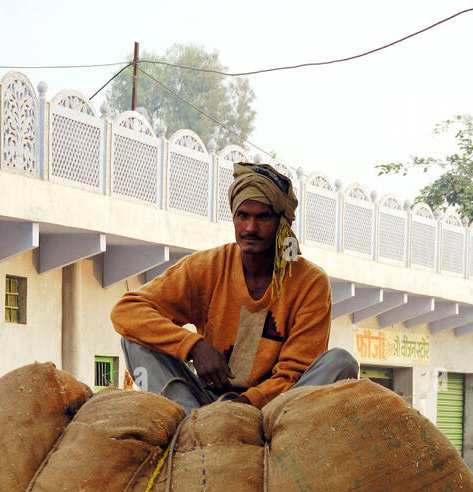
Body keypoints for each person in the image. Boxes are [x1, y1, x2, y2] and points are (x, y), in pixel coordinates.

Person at [111, 161, 358, 414]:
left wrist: (244, 406)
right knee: (134, 338)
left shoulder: (310, 282)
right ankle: (191, 426)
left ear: (281, 224)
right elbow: (126, 310)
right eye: (243, 216)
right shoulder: (207, 266)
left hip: (274, 408)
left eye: (263, 217)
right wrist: (193, 345)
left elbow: (294, 371)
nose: (250, 228)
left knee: (341, 362)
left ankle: (257, 431)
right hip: (206, 403)